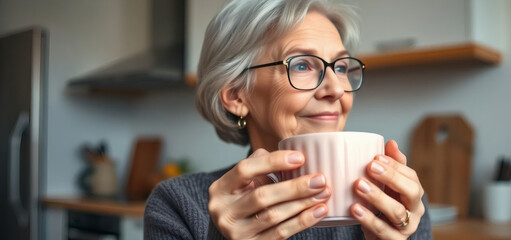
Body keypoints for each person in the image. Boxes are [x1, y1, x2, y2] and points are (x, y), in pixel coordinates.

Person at [144, 0, 432, 239]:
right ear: (236, 96)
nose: (335, 89)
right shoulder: (178, 205)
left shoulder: (397, 203)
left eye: (341, 67)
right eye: (302, 64)